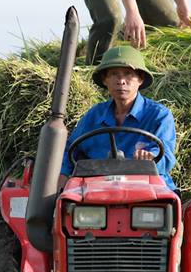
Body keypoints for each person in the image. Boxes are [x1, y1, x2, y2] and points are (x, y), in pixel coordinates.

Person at [60, 45, 177, 191]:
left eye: (128, 74)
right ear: (105, 80)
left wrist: (150, 157)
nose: (121, 81)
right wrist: (61, 178)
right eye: (114, 74)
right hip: (99, 189)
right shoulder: (94, 115)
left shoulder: (159, 115)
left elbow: (165, 155)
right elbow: (70, 149)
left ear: (140, 79)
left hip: (147, 188)